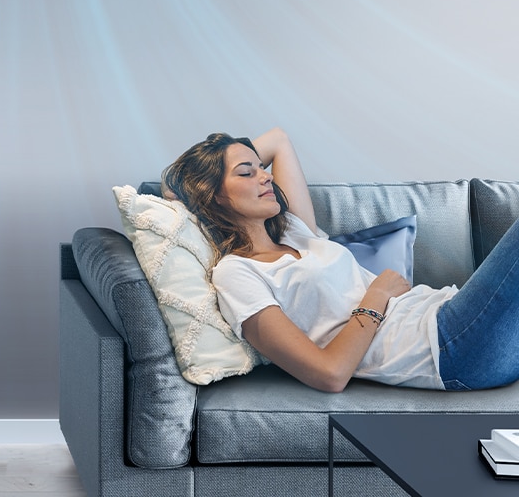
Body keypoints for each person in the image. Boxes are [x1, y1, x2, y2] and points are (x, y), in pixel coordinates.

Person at [162, 128, 519, 393]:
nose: (266, 175)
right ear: (214, 196)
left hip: (456, 314)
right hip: (447, 346)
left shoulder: (296, 232)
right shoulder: (236, 273)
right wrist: (377, 293)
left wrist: (211, 167)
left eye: (262, 168)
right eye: (246, 172)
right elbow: (329, 374)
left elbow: (279, 140)